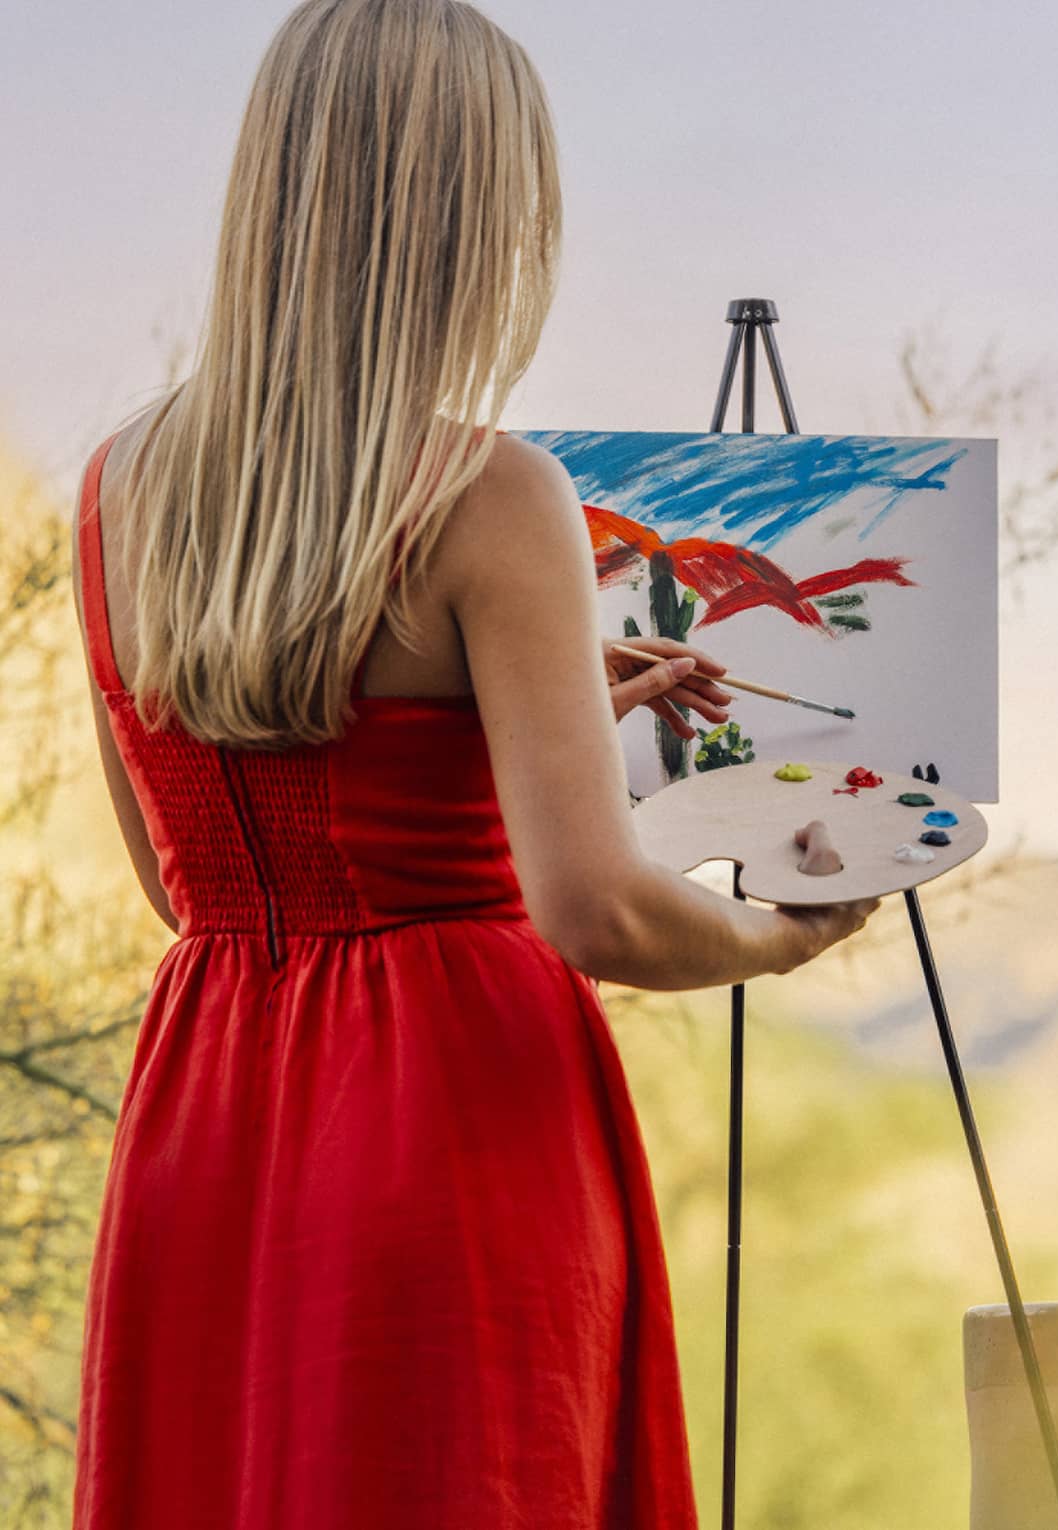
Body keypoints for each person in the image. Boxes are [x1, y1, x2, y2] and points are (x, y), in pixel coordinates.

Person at [67, 2, 879, 1525]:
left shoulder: (122, 487)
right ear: (477, 218)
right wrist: (780, 937)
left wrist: (555, 715)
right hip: (448, 1129)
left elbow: (192, 889)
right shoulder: (493, 494)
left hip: (211, 1118)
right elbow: (598, 914)